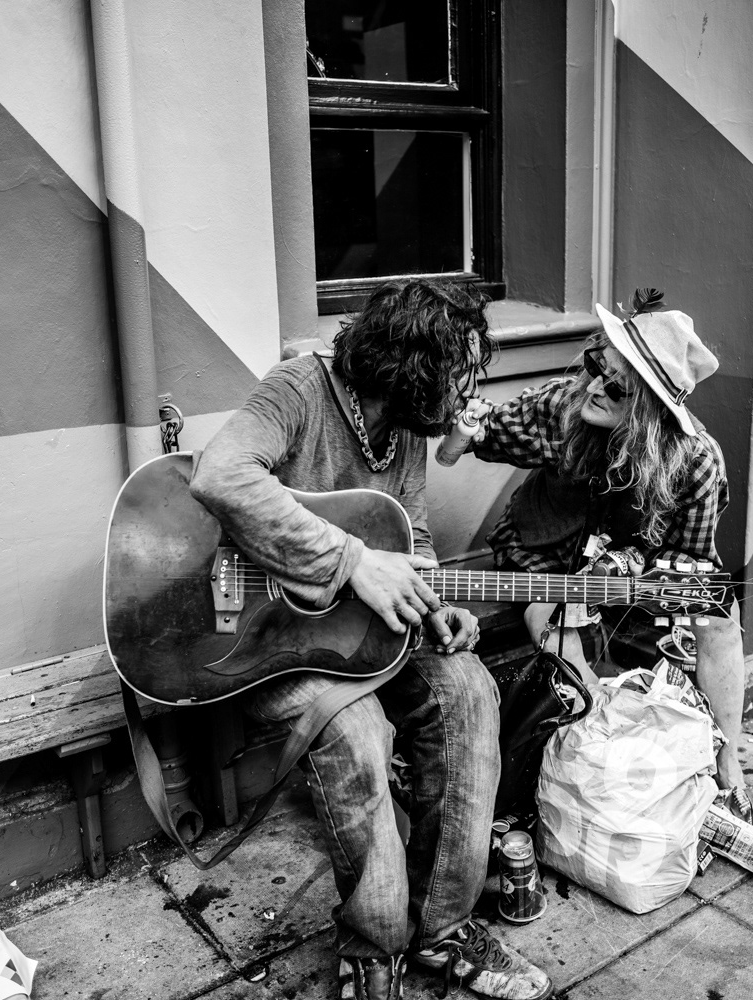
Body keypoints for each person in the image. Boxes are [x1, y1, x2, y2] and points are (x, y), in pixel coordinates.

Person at [189, 279, 552, 1000]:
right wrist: (350, 562)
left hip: (368, 635)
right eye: (461, 375)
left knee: (471, 689)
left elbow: (408, 537)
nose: (469, 395)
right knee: (355, 734)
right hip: (268, 637)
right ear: (417, 369)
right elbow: (219, 475)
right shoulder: (298, 388)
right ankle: (373, 945)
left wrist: (434, 600)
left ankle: (443, 931)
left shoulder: (408, 433)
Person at [464, 291, 753, 838]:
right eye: (597, 366)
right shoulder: (563, 408)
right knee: (558, 626)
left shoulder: (697, 465)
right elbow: (485, 430)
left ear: (653, 410)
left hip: (634, 574)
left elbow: (690, 563)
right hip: (547, 556)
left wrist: (635, 564)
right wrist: (463, 425)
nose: (593, 385)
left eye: (616, 386)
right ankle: (598, 760)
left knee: (721, 614)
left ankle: (729, 767)